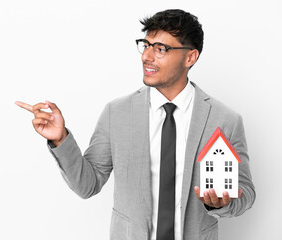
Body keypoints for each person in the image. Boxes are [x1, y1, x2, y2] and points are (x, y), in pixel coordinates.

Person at [15, 9, 255, 240]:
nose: (147, 57)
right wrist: (61, 139)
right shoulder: (116, 113)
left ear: (190, 57)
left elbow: (246, 192)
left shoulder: (225, 120)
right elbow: (88, 185)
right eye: (146, 45)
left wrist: (225, 202)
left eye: (161, 49)